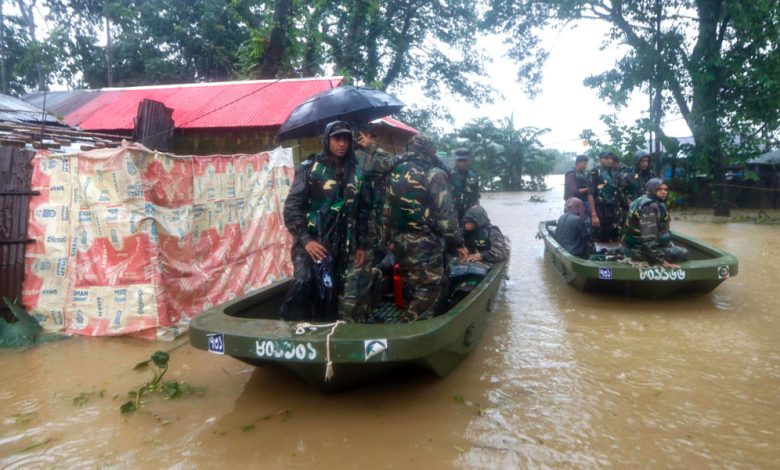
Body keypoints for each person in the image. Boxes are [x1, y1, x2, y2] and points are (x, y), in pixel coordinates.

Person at [279, 121, 369, 321]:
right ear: (327, 140)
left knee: (331, 294)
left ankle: (326, 335)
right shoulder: (310, 168)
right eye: (337, 139)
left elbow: (362, 210)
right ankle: (291, 330)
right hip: (311, 242)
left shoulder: (356, 172)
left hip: (341, 246)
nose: (342, 144)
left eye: (346, 139)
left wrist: (361, 244)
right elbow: (292, 208)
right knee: (304, 282)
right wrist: (306, 241)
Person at [383, 134, 468, 322]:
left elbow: (386, 209)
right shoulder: (434, 174)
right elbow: (446, 216)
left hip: (399, 240)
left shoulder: (394, 171)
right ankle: (413, 328)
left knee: (409, 280)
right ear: (430, 150)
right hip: (425, 242)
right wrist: (458, 243)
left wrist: (388, 238)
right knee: (428, 287)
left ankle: (409, 314)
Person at [339, 124, 394, 321]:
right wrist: (369, 147)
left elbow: (387, 167)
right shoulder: (353, 158)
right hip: (355, 228)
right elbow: (387, 164)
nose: (370, 139)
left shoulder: (367, 155)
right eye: (367, 135)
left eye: (371, 136)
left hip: (371, 227)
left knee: (366, 276)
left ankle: (363, 317)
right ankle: (347, 323)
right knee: (353, 280)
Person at [622, 178, 689, 268]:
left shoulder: (645, 199)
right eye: (659, 189)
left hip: (635, 246)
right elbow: (648, 240)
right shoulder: (650, 207)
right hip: (639, 250)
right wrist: (662, 261)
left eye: (665, 189)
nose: (664, 192)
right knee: (684, 253)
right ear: (651, 190)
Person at [588, 151, 621, 242]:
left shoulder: (615, 174)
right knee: (598, 236)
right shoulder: (595, 173)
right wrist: (594, 215)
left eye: (610, 158)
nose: (609, 161)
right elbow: (590, 194)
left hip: (613, 209)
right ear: (600, 159)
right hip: (600, 208)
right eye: (606, 158)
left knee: (613, 234)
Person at [619, 150, 656, 217]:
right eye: (643, 161)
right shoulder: (627, 174)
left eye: (647, 161)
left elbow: (655, 189)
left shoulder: (650, 174)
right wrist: (629, 202)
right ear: (637, 161)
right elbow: (620, 191)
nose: (646, 163)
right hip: (631, 209)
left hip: (648, 208)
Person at [450, 148, 481, 222]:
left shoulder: (474, 176)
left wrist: (478, 212)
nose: (462, 163)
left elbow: (476, 197)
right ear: (455, 161)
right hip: (453, 213)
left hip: (470, 213)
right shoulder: (449, 176)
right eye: (459, 160)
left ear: (469, 161)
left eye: (464, 160)